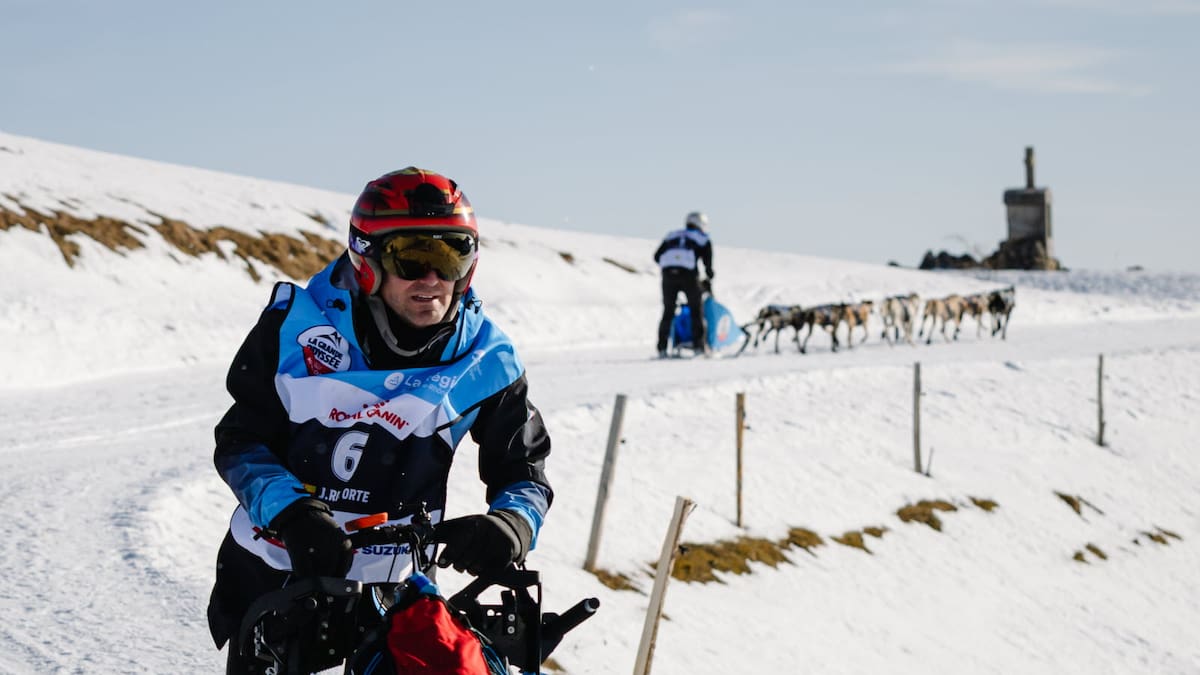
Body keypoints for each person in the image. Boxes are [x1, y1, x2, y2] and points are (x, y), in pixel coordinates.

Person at [206, 167, 553, 674]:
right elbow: (239, 442)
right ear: (365, 258)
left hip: (398, 592)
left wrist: (510, 526)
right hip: (277, 572)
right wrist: (293, 513)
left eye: (452, 254)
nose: (432, 278)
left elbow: (525, 475)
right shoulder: (294, 330)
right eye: (413, 257)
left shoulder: (486, 359)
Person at [654, 211, 714, 357]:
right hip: (689, 276)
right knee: (696, 310)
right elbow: (708, 265)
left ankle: (662, 348)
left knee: (668, 311)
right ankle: (700, 347)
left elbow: (657, 256)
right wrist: (708, 276)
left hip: (668, 275)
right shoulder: (702, 238)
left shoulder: (672, 235)